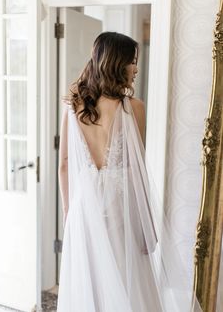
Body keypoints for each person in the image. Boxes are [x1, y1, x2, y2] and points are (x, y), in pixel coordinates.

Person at [57, 32, 202, 312]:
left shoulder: (73, 107)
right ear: (116, 63)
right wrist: (147, 227)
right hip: (119, 212)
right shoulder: (133, 108)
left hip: (83, 211)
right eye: (131, 62)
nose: (135, 68)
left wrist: (69, 216)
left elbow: (64, 166)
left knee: (91, 286)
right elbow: (137, 172)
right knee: (127, 283)